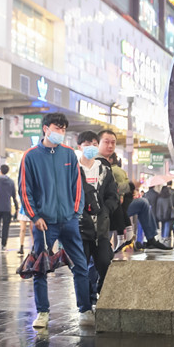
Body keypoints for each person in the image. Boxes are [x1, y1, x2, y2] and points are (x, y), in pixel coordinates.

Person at [19, 113, 93, 328]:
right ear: (45, 128)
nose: (60, 132)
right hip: (44, 222)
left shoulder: (69, 155)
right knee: (39, 266)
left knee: (80, 264)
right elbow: (25, 190)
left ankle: (85, 310)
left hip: (68, 220)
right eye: (56, 128)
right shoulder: (30, 156)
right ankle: (42, 312)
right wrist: (35, 216)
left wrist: (76, 213)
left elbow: (77, 186)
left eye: (63, 129)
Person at [96, 129, 170, 251]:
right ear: (97, 143)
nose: (110, 145)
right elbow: (110, 190)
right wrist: (130, 186)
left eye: (113, 142)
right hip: (104, 212)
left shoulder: (107, 165)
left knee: (143, 203)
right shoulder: (96, 163)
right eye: (106, 142)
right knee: (97, 254)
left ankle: (150, 239)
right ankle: (146, 239)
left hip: (113, 210)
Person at [76, 130, 118, 310]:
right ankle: (84, 307)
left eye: (94, 144)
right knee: (81, 269)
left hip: (101, 229)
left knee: (105, 264)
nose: (91, 148)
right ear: (79, 147)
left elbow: (113, 195)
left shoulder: (104, 170)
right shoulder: (74, 170)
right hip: (80, 228)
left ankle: (102, 297)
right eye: (87, 145)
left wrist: (105, 210)